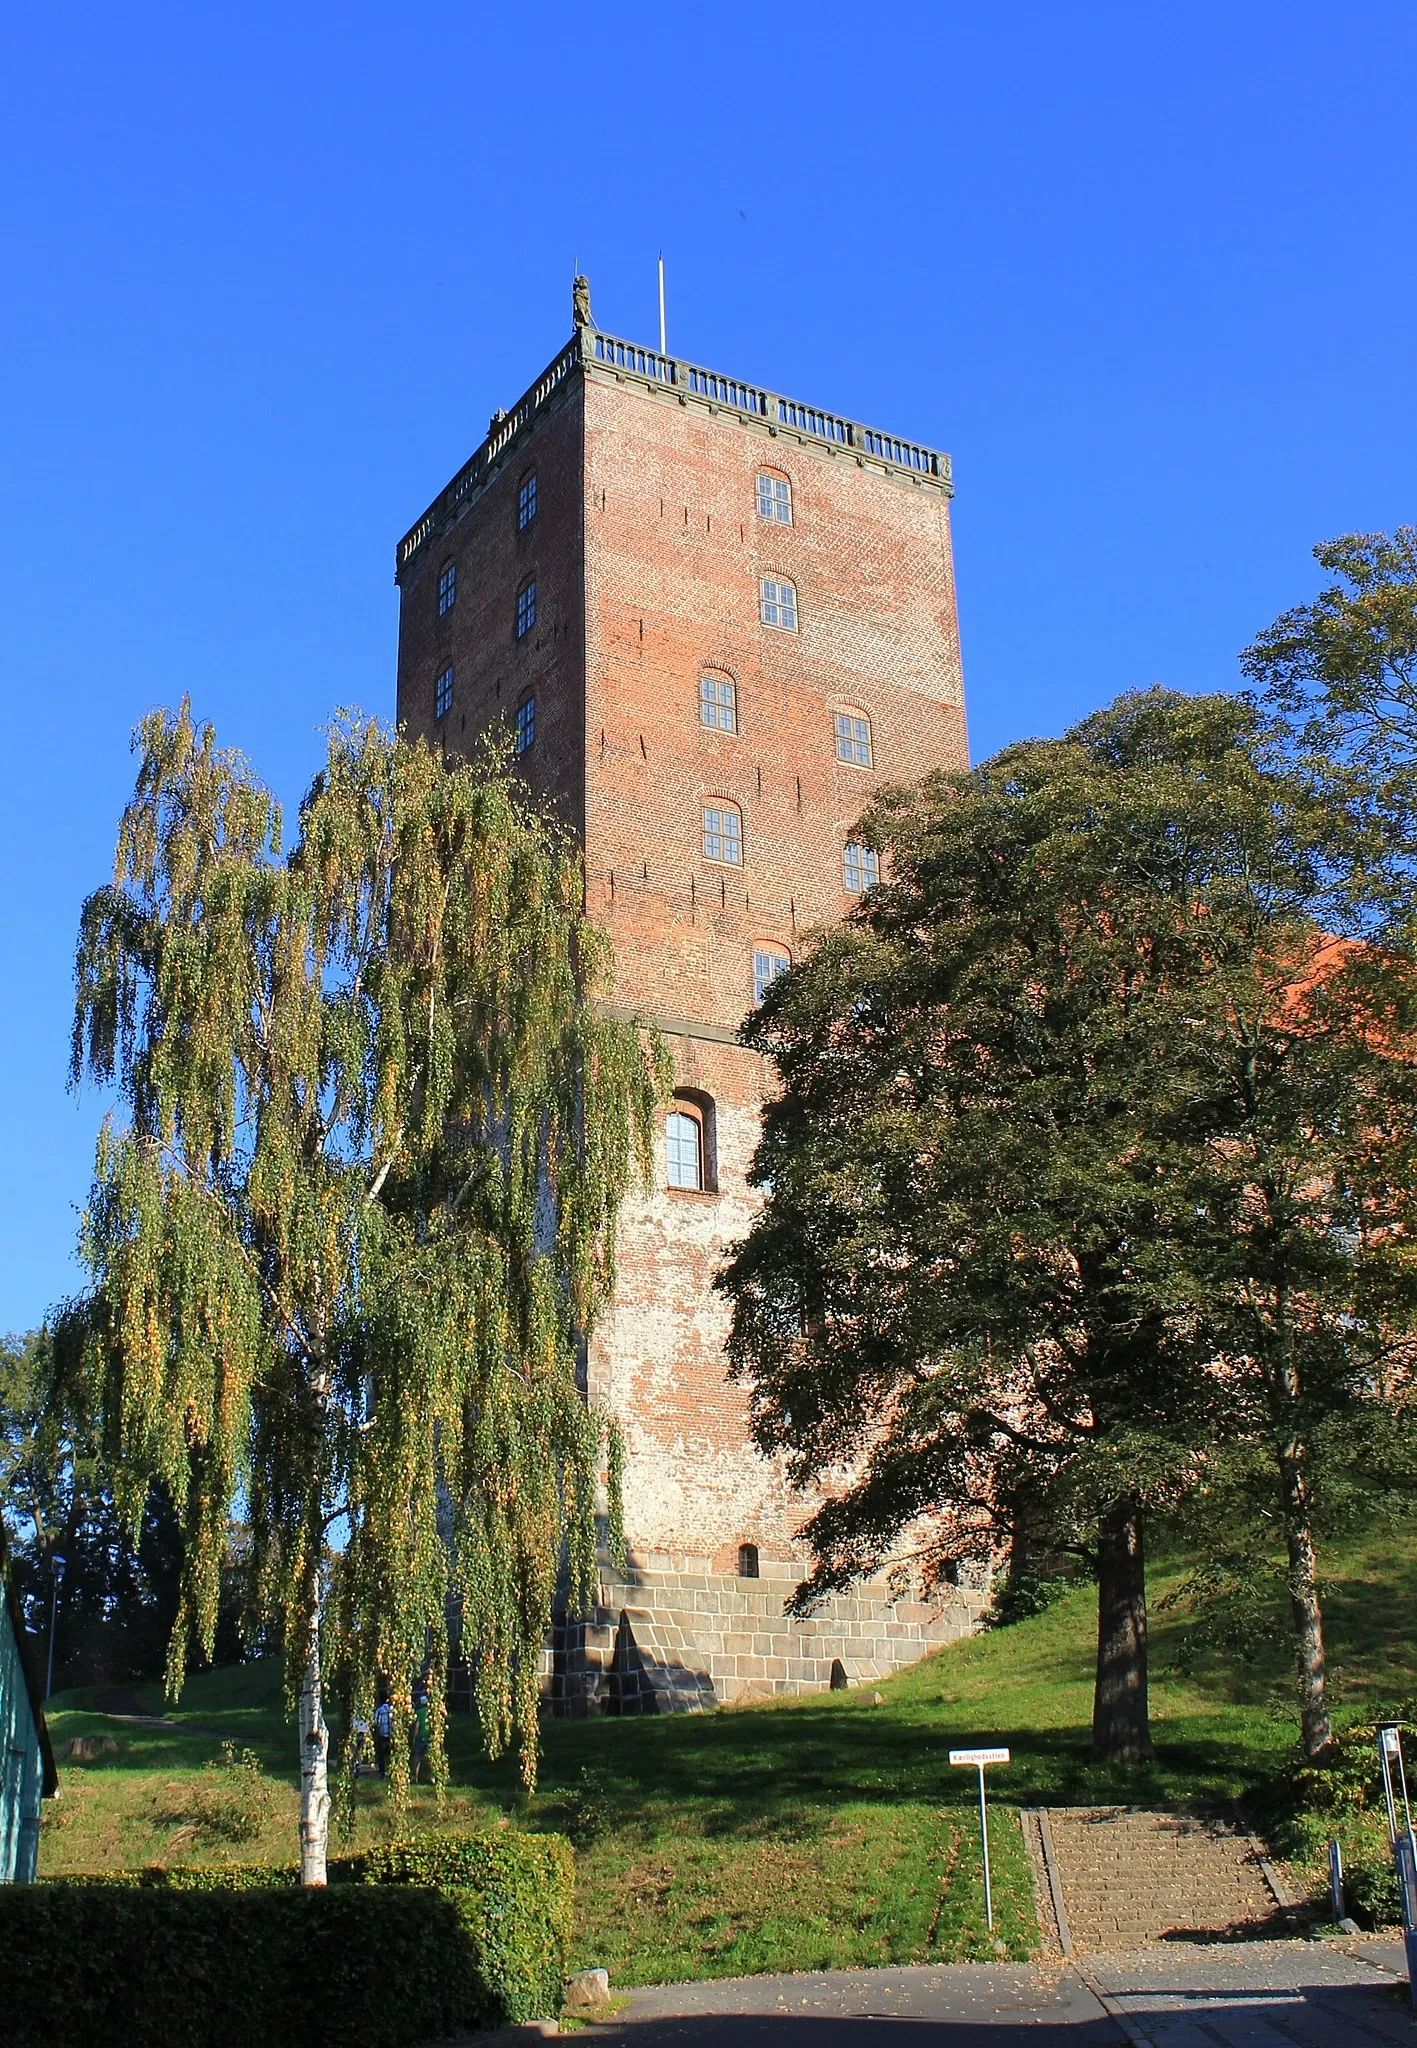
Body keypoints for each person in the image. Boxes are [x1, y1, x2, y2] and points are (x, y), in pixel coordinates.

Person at [410, 1687, 430, 1785]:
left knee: (417, 1758)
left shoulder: (418, 1712)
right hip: (429, 1737)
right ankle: (433, 1777)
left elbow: (417, 1726)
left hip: (420, 1738)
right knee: (431, 1757)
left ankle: (416, 1777)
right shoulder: (430, 1712)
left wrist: (414, 1737)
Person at [372, 1696, 392, 1779]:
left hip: (382, 1734)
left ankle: (382, 1773)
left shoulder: (379, 1710)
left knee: (381, 1754)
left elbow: (376, 1722)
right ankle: (391, 1770)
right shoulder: (391, 1709)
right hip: (391, 1734)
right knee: (390, 1753)